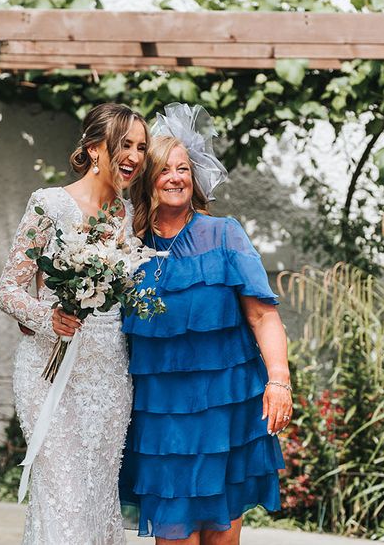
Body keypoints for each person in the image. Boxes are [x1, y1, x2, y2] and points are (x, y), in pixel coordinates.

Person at [56, 103, 292, 544]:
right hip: (161, 416)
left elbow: (263, 315)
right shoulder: (124, 245)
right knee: (174, 536)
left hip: (227, 408)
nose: (176, 178)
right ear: (148, 179)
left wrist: (278, 380)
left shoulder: (225, 235)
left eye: (184, 169)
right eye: (164, 170)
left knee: (222, 535)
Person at [0, 102, 149, 545]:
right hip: (48, 373)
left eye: (141, 147)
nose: (136, 156)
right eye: (126, 144)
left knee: (98, 499)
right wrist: (49, 318)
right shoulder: (48, 204)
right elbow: (8, 289)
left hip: (108, 376)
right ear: (96, 148)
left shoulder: (124, 215)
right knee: (64, 499)